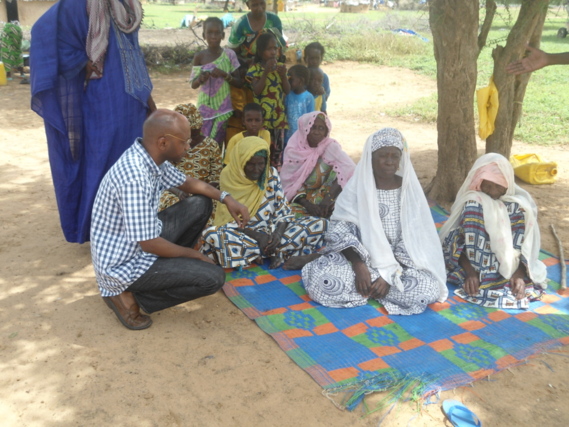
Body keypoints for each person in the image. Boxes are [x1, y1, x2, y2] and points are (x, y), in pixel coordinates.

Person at [91, 109, 250, 330]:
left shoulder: (151, 158)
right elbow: (149, 243)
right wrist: (192, 255)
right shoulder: (135, 177)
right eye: (185, 142)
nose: (189, 147)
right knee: (212, 278)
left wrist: (227, 198)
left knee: (200, 203)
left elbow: (188, 183)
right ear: (163, 142)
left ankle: (169, 269)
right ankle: (131, 297)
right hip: (124, 263)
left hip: (139, 243)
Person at [30, 0, 156, 243]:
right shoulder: (78, 4)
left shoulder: (127, 6)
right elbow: (43, 30)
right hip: (100, 103)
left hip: (133, 104)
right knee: (102, 162)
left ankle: (130, 229)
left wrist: (148, 100)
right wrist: (80, 62)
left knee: (131, 166)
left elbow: (134, 56)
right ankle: (96, 230)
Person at [302, 128, 448, 314]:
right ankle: (370, 286)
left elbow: (414, 236)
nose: (389, 161)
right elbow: (340, 229)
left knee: (426, 289)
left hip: (401, 265)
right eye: (382, 156)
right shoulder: (357, 187)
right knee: (324, 282)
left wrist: (390, 276)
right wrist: (359, 265)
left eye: (394, 156)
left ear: (400, 160)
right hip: (362, 258)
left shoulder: (408, 190)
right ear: (370, 158)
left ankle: (372, 289)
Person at [439, 153, 547, 309]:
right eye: (487, 185)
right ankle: (477, 274)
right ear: (478, 183)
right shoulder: (473, 204)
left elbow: (526, 246)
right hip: (474, 267)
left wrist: (519, 275)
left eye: (498, 186)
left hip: (512, 269)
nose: (492, 192)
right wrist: (470, 273)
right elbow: (458, 241)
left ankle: (509, 273)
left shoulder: (519, 208)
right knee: (473, 208)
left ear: (508, 184)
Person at [201, 137, 328, 270]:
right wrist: (258, 236)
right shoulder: (229, 177)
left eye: (261, 164)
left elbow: (282, 210)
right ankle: (273, 252)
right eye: (250, 164)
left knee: (320, 224)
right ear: (240, 162)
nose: (256, 169)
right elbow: (228, 222)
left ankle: (259, 253)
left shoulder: (270, 174)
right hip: (244, 235)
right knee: (212, 235)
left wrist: (277, 235)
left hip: (274, 234)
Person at [158, 103, 222, 227]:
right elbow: (162, 175)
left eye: (197, 134)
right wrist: (179, 192)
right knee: (171, 204)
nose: (192, 140)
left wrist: (199, 192)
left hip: (204, 193)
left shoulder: (211, 145)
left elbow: (216, 178)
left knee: (204, 210)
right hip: (174, 192)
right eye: (189, 136)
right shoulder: (169, 145)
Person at [281, 112, 355, 219]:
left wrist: (328, 200)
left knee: (339, 168)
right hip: (301, 200)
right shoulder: (294, 149)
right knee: (287, 216)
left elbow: (350, 169)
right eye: (313, 127)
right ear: (304, 128)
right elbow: (288, 186)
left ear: (326, 131)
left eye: (321, 128)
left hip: (327, 198)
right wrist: (308, 205)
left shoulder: (330, 147)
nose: (316, 132)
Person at [191, 17, 241, 148]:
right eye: (210, 33)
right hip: (204, 109)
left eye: (217, 32)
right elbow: (193, 84)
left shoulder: (229, 55)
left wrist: (225, 75)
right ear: (204, 35)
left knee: (216, 144)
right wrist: (201, 78)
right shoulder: (199, 57)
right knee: (203, 143)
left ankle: (216, 168)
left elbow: (240, 82)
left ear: (223, 35)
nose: (213, 36)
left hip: (223, 108)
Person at [246, 32, 290, 165]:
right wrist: (265, 73)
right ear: (260, 52)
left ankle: (275, 177)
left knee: (278, 152)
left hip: (279, 119)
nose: (273, 52)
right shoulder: (255, 70)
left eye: (275, 48)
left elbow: (287, 91)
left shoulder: (280, 68)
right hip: (262, 120)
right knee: (262, 151)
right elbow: (257, 90)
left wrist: (283, 77)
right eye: (269, 49)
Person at [227, 0, 286, 65]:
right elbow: (232, 53)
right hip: (249, 66)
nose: (260, 8)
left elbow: (279, 44)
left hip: (272, 64)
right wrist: (245, 62)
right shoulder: (241, 25)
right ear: (248, 5)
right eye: (254, 5)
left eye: (262, 3)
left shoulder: (274, 20)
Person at [284, 65, 315, 144]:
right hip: (287, 137)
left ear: (300, 81)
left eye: (291, 79)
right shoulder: (287, 95)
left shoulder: (308, 97)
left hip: (301, 139)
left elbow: (311, 119)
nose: (288, 82)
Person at [304, 42, 330, 111]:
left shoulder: (324, 77)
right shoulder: (301, 76)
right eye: (312, 58)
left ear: (321, 59)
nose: (314, 61)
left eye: (317, 58)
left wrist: (322, 93)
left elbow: (326, 97)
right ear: (305, 59)